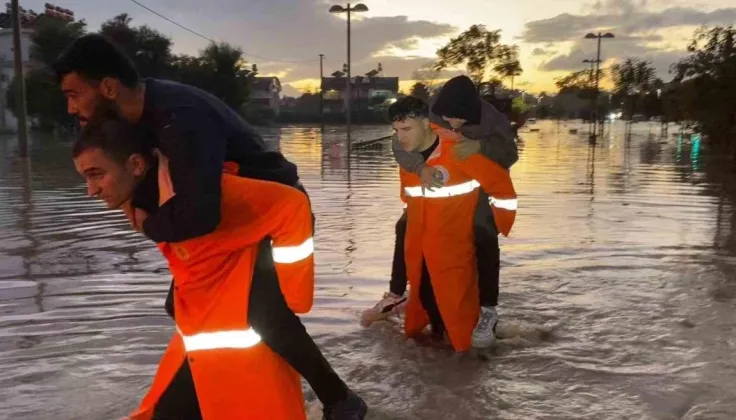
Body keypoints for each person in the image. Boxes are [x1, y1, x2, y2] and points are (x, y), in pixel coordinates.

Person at [55, 34, 366, 419]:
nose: (71, 107)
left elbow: (201, 214)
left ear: (107, 87)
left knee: (264, 313)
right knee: (180, 304)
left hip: (267, 216)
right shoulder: (135, 117)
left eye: (73, 94)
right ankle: (195, 399)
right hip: (226, 221)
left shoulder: (180, 117)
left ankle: (341, 401)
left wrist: (149, 224)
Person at [73, 114, 318, 419]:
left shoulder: (206, 190)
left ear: (136, 165)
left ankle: (339, 399)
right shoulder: (138, 200)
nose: (91, 191)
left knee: (270, 318)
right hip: (206, 331)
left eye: (96, 175)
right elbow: (186, 254)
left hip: (261, 256)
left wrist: (295, 292)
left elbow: (292, 205)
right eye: (86, 178)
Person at [361, 76, 518, 348]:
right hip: (431, 192)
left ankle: (488, 309)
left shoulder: (493, 121)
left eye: (459, 120)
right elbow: (400, 142)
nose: (453, 124)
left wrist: (480, 146)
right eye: (447, 118)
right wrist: (420, 168)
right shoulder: (426, 116)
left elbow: (510, 154)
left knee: (484, 236)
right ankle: (397, 294)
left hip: (477, 182)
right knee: (405, 228)